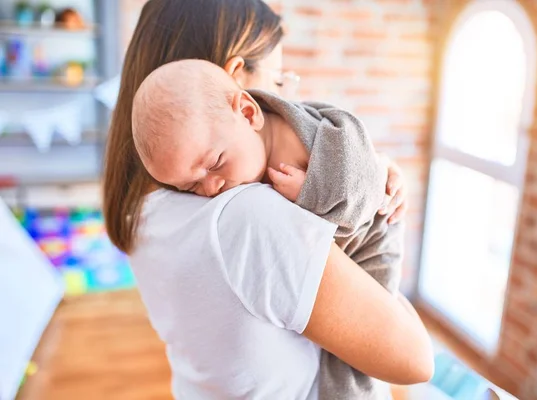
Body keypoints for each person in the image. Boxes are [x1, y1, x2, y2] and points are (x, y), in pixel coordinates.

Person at [102, 0, 433, 399]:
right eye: (277, 84)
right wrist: (370, 197)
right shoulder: (248, 214)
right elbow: (415, 359)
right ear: (241, 91)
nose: (284, 104)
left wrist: (363, 172)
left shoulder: (144, 205)